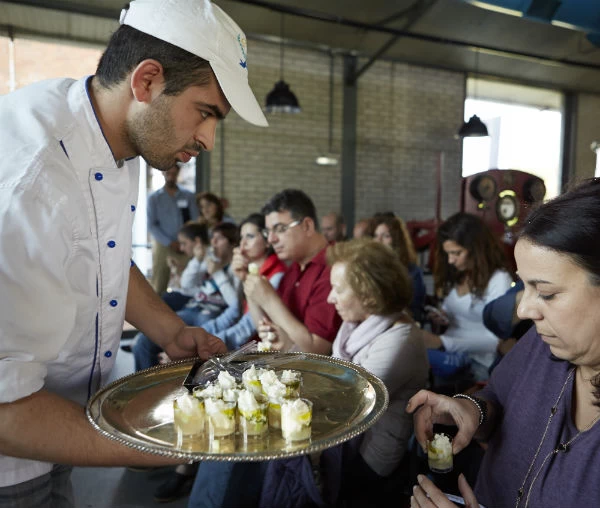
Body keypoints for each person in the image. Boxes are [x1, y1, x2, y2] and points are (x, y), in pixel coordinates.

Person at [0, 0, 267, 503]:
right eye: (205, 112)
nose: (208, 138)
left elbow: (102, 252)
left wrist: (171, 330)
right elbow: (5, 408)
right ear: (146, 82)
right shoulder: (27, 183)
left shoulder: (117, 138)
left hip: (57, 434)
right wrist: (161, 444)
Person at [407, 178, 600, 508]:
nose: (523, 310)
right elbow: (498, 396)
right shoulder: (544, 346)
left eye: (547, 293)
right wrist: (473, 410)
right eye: (523, 287)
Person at [187, 189, 342, 508]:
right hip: (283, 365)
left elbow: (317, 350)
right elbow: (268, 329)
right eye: (269, 231)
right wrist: (250, 287)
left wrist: (268, 298)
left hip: (311, 381)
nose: (272, 239)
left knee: (232, 434)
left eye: (279, 229)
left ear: (308, 226)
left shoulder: (330, 268)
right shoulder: (296, 268)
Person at [317, 239, 430, 507]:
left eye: (338, 289)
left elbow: (346, 400)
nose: (330, 298)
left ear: (369, 294)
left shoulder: (401, 339)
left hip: (370, 461)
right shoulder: (354, 328)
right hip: (347, 440)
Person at [133, 222, 240, 372]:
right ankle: (145, 388)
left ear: (232, 244)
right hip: (193, 308)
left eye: (219, 239)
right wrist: (197, 260)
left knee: (200, 342)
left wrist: (217, 273)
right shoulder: (209, 261)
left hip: (212, 313)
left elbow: (235, 303)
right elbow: (186, 284)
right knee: (143, 342)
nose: (213, 243)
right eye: (212, 238)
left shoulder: (235, 269)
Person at [420, 212, 513, 383]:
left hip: (479, 361)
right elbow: (454, 312)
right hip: (450, 352)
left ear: (476, 249)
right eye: (448, 253)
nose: (450, 260)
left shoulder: (499, 279)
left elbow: (496, 341)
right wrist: (442, 315)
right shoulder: (460, 274)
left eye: (456, 253)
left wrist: (442, 342)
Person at [204, 213, 287, 351]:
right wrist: (198, 334)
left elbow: (247, 328)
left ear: (267, 241)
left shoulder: (277, 275)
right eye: (241, 237)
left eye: (250, 236)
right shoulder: (250, 270)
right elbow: (233, 312)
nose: (242, 244)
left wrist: (204, 345)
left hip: (259, 349)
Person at [148, 165, 199, 294]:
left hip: (185, 246)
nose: (171, 176)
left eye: (174, 173)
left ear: (178, 174)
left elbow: (195, 220)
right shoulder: (154, 198)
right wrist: (169, 242)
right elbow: (152, 225)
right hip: (163, 245)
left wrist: (184, 242)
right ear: (163, 173)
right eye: (168, 173)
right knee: (159, 282)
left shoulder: (188, 196)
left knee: (187, 279)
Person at [372, 214, 427, 323]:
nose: (378, 240)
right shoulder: (369, 267)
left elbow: (415, 312)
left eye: (386, 236)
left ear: (397, 240)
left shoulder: (413, 272)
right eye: (376, 235)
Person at [162, 221, 211, 312]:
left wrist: (197, 260)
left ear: (197, 241)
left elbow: (186, 283)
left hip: (201, 301)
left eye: (184, 243)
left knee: (166, 300)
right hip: (193, 297)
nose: (181, 248)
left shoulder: (207, 259)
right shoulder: (197, 259)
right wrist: (178, 270)